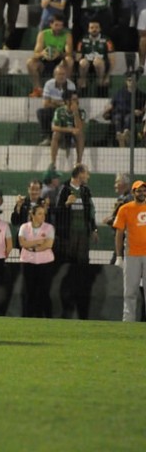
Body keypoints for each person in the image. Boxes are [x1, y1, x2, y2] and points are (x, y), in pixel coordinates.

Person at [53, 163, 97, 320]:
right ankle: (67, 301)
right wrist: (66, 204)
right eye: (86, 173)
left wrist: (93, 229)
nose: (88, 176)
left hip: (82, 235)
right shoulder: (64, 189)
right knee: (69, 267)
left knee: (82, 266)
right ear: (79, 174)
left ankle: (81, 300)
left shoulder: (85, 191)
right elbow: (56, 212)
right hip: (68, 236)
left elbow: (90, 211)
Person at [113, 179, 146, 322]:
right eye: (139, 190)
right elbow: (119, 233)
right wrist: (119, 256)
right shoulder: (125, 209)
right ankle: (128, 321)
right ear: (133, 192)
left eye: (144, 190)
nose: (142, 193)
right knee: (130, 291)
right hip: (132, 254)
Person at [19, 203, 56, 318]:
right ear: (32, 215)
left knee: (44, 291)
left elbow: (48, 244)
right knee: (29, 291)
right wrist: (37, 242)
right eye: (39, 214)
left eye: (43, 214)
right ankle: (29, 316)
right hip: (28, 262)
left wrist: (32, 248)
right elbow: (22, 243)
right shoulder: (24, 227)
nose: (43, 216)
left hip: (45, 263)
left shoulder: (49, 228)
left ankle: (46, 316)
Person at [27, 14, 73, 98]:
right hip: (45, 61)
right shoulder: (43, 34)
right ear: (51, 24)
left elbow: (69, 53)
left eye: (61, 25)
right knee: (30, 62)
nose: (59, 28)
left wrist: (59, 54)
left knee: (69, 60)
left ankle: (65, 90)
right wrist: (42, 53)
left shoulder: (67, 35)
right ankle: (38, 90)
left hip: (60, 62)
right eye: (56, 25)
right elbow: (36, 54)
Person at [36, 64, 76, 145]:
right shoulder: (48, 84)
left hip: (66, 110)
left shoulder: (71, 85)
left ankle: (70, 139)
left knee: (73, 113)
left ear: (67, 75)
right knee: (41, 112)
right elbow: (45, 104)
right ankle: (47, 138)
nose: (61, 77)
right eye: (59, 74)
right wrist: (62, 103)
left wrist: (54, 101)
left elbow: (72, 104)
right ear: (54, 75)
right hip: (53, 109)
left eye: (63, 74)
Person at [104, 73, 146, 147]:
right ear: (126, 81)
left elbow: (143, 108)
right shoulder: (119, 93)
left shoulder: (141, 95)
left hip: (134, 117)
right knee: (118, 117)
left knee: (128, 117)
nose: (131, 82)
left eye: (133, 80)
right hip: (120, 114)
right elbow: (114, 105)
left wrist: (141, 111)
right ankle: (120, 135)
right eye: (129, 80)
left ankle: (124, 134)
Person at [50, 91, 86, 170]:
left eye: (77, 99)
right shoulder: (59, 111)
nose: (76, 101)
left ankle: (78, 163)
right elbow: (54, 127)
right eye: (74, 99)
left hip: (74, 136)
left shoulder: (81, 112)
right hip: (63, 135)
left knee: (80, 134)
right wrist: (70, 129)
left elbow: (79, 127)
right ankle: (53, 163)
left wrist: (75, 112)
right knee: (55, 134)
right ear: (67, 101)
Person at [76, 20, 114, 90]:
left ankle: (100, 84)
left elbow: (112, 60)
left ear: (100, 29)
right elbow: (77, 58)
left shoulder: (107, 40)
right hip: (86, 67)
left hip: (101, 67)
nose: (94, 29)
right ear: (88, 29)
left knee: (97, 61)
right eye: (92, 27)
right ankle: (83, 83)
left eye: (96, 27)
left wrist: (108, 76)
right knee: (83, 62)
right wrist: (78, 77)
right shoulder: (82, 40)